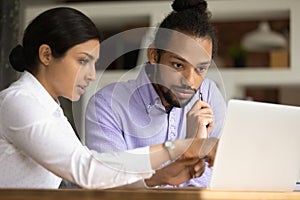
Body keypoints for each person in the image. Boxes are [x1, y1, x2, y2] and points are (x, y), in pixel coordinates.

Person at [0, 7, 217, 189]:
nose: (92, 75)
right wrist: (176, 147)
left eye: (94, 63)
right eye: (83, 61)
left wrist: (161, 175)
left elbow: (98, 168)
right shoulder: (19, 102)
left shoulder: (49, 107)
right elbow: (86, 170)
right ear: (46, 55)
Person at [85, 0, 226, 188]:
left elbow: (221, 178)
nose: (190, 81)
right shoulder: (106, 104)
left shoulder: (209, 93)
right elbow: (108, 183)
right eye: (178, 65)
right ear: (153, 55)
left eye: (201, 68)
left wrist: (197, 145)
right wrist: (190, 148)